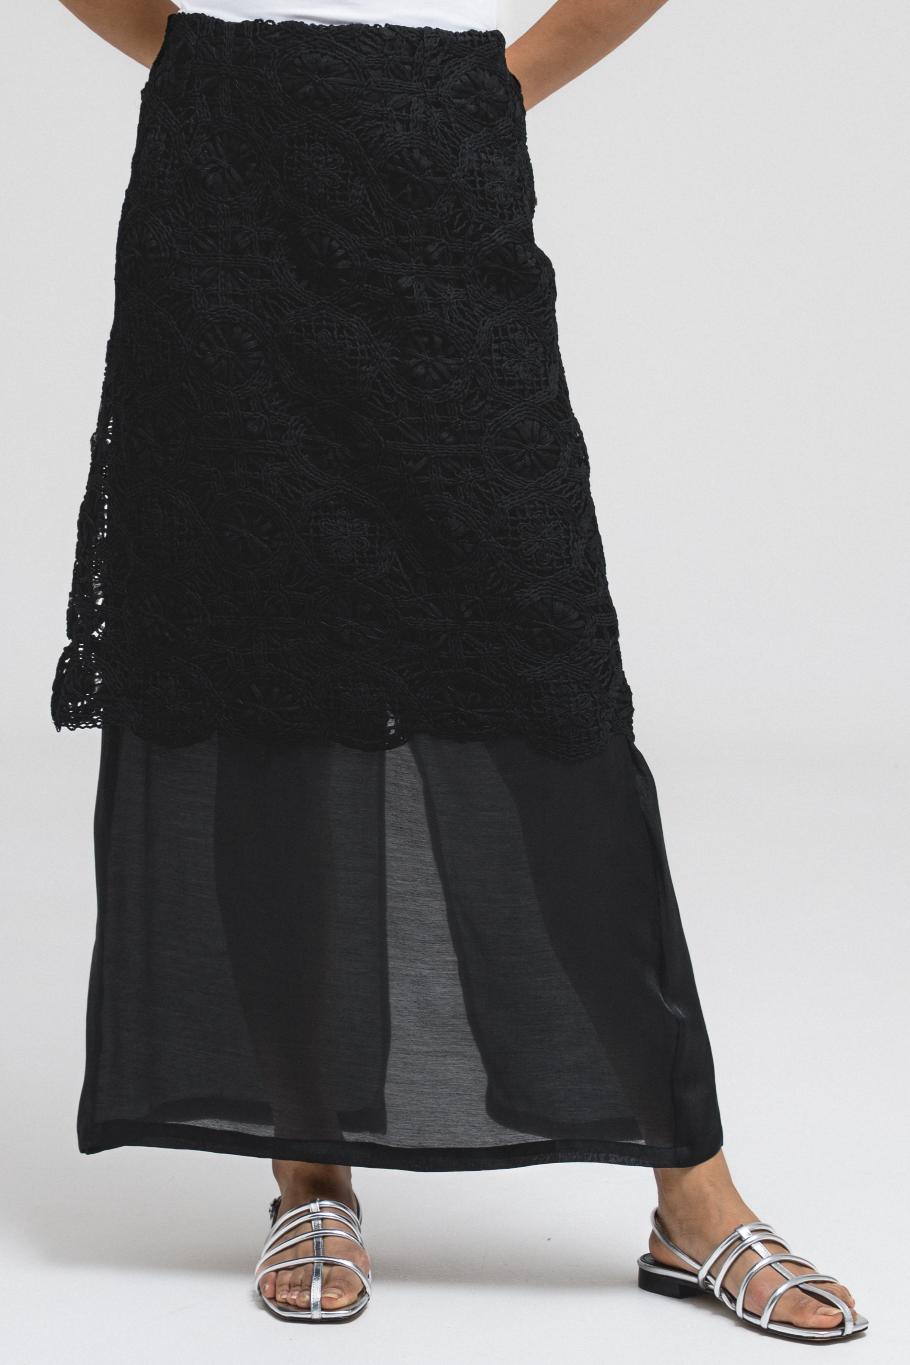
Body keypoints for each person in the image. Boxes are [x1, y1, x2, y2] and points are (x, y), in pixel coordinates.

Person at [52, 0, 866, 1340]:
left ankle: (692, 1191)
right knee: (264, 673)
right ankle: (310, 1167)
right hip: (230, 168)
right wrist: (201, 60)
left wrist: (492, 86)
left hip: (448, 149)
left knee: (548, 692)